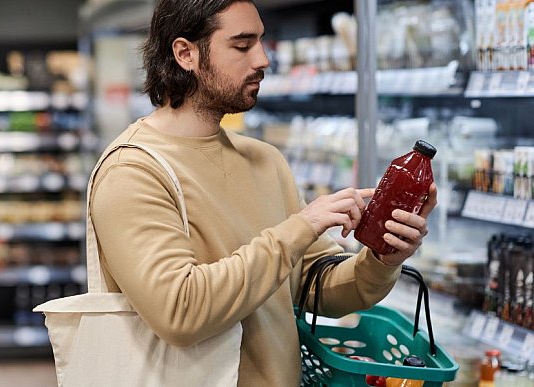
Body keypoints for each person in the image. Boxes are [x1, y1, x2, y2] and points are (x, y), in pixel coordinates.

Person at [88, 1, 437, 386]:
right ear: (185, 53)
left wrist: (383, 257)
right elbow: (179, 312)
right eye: (242, 45)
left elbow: (312, 285)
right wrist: (300, 227)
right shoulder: (133, 171)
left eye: (261, 42)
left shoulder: (265, 161)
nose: (263, 59)